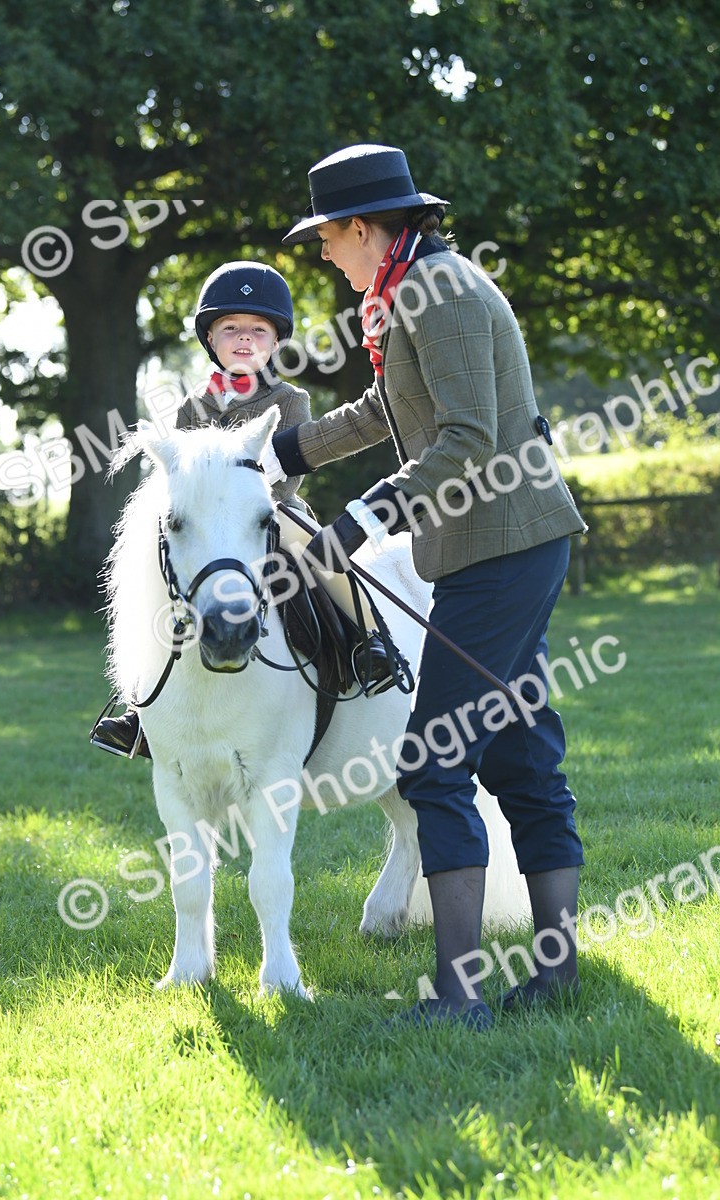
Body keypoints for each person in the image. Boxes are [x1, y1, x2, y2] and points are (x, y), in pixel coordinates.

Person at [267, 144, 588, 1029]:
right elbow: (385, 413)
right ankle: (555, 973)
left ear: (364, 228)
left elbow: (466, 437)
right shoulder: (412, 288)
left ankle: (457, 993)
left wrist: (358, 523)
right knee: (521, 756)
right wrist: (279, 453)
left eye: (327, 238)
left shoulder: (434, 292)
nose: (324, 253)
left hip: (500, 547)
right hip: (498, 547)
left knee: (434, 762)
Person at [91, 259, 392, 760]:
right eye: (231, 329)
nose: (245, 339)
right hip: (211, 526)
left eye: (258, 330)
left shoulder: (289, 399)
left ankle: (367, 642)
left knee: (323, 559)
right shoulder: (193, 406)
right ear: (212, 339)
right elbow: (182, 476)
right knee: (158, 578)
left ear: (276, 341)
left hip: (274, 512)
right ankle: (139, 710)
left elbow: (291, 474)